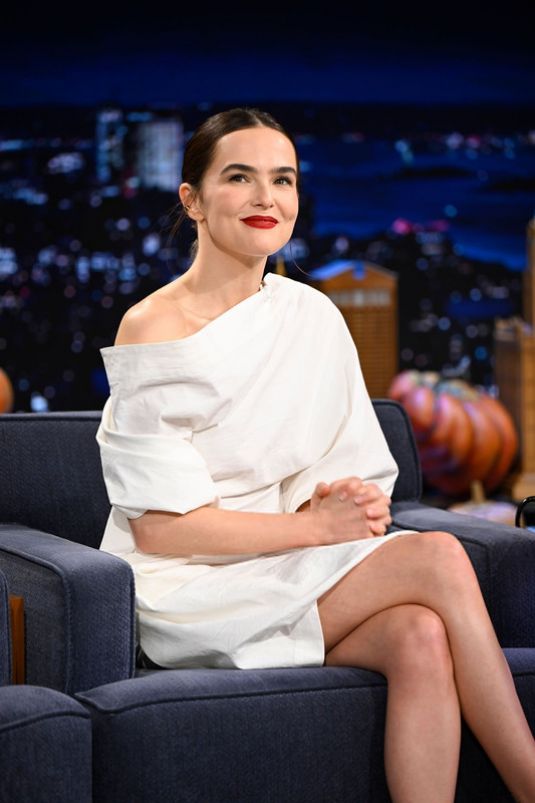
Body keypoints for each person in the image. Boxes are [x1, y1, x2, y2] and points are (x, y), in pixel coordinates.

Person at [96, 107, 535, 803]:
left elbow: (347, 474)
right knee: (439, 556)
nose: (266, 197)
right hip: (188, 588)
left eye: (283, 179)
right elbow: (160, 530)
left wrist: (341, 504)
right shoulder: (152, 326)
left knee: (419, 633)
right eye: (239, 177)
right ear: (193, 200)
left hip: (291, 566)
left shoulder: (313, 315)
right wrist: (314, 528)